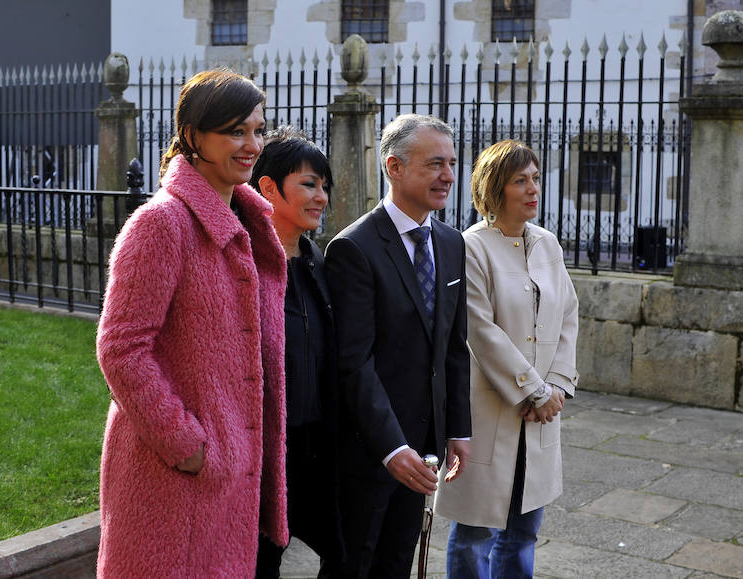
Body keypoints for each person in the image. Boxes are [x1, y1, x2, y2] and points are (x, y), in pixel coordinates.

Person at [95, 69, 288, 577]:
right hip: (171, 482)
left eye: (257, 129)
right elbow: (121, 348)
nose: (252, 145)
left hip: (227, 481)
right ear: (192, 136)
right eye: (235, 131)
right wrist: (187, 446)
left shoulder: (248, 222)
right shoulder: (162, 223)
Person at [323, 113, 472, 578]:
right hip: (371, 453)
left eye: (451, 163)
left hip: (425, 448)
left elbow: (452, 344)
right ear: (394, 167)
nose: (448, 176)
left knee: (397, 565)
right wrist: (391, 449)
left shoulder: (450, 243)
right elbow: (354, 363)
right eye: (434, 164)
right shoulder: (354, 248)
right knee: (354, 566)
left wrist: (458, 429)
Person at [434, 139, 580, 577]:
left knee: (524, 532)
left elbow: (568, 315)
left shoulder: (547, 244)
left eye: (535, 178)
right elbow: (479, 329)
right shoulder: (472, 247)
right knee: (476, 532)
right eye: (520, 180)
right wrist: (534, 389)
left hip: (540, 413)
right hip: (490, 410)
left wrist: (555, 386)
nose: (533, 188)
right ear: (496, 189)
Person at [249, 127, 344, 577]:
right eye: (309, 184)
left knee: (344, 551)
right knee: (262, 560)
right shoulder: (242, 264)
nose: (321, 197)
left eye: (324, 186)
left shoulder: (319, 262)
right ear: (268, 187)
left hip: (316, 447)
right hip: (263, 450)